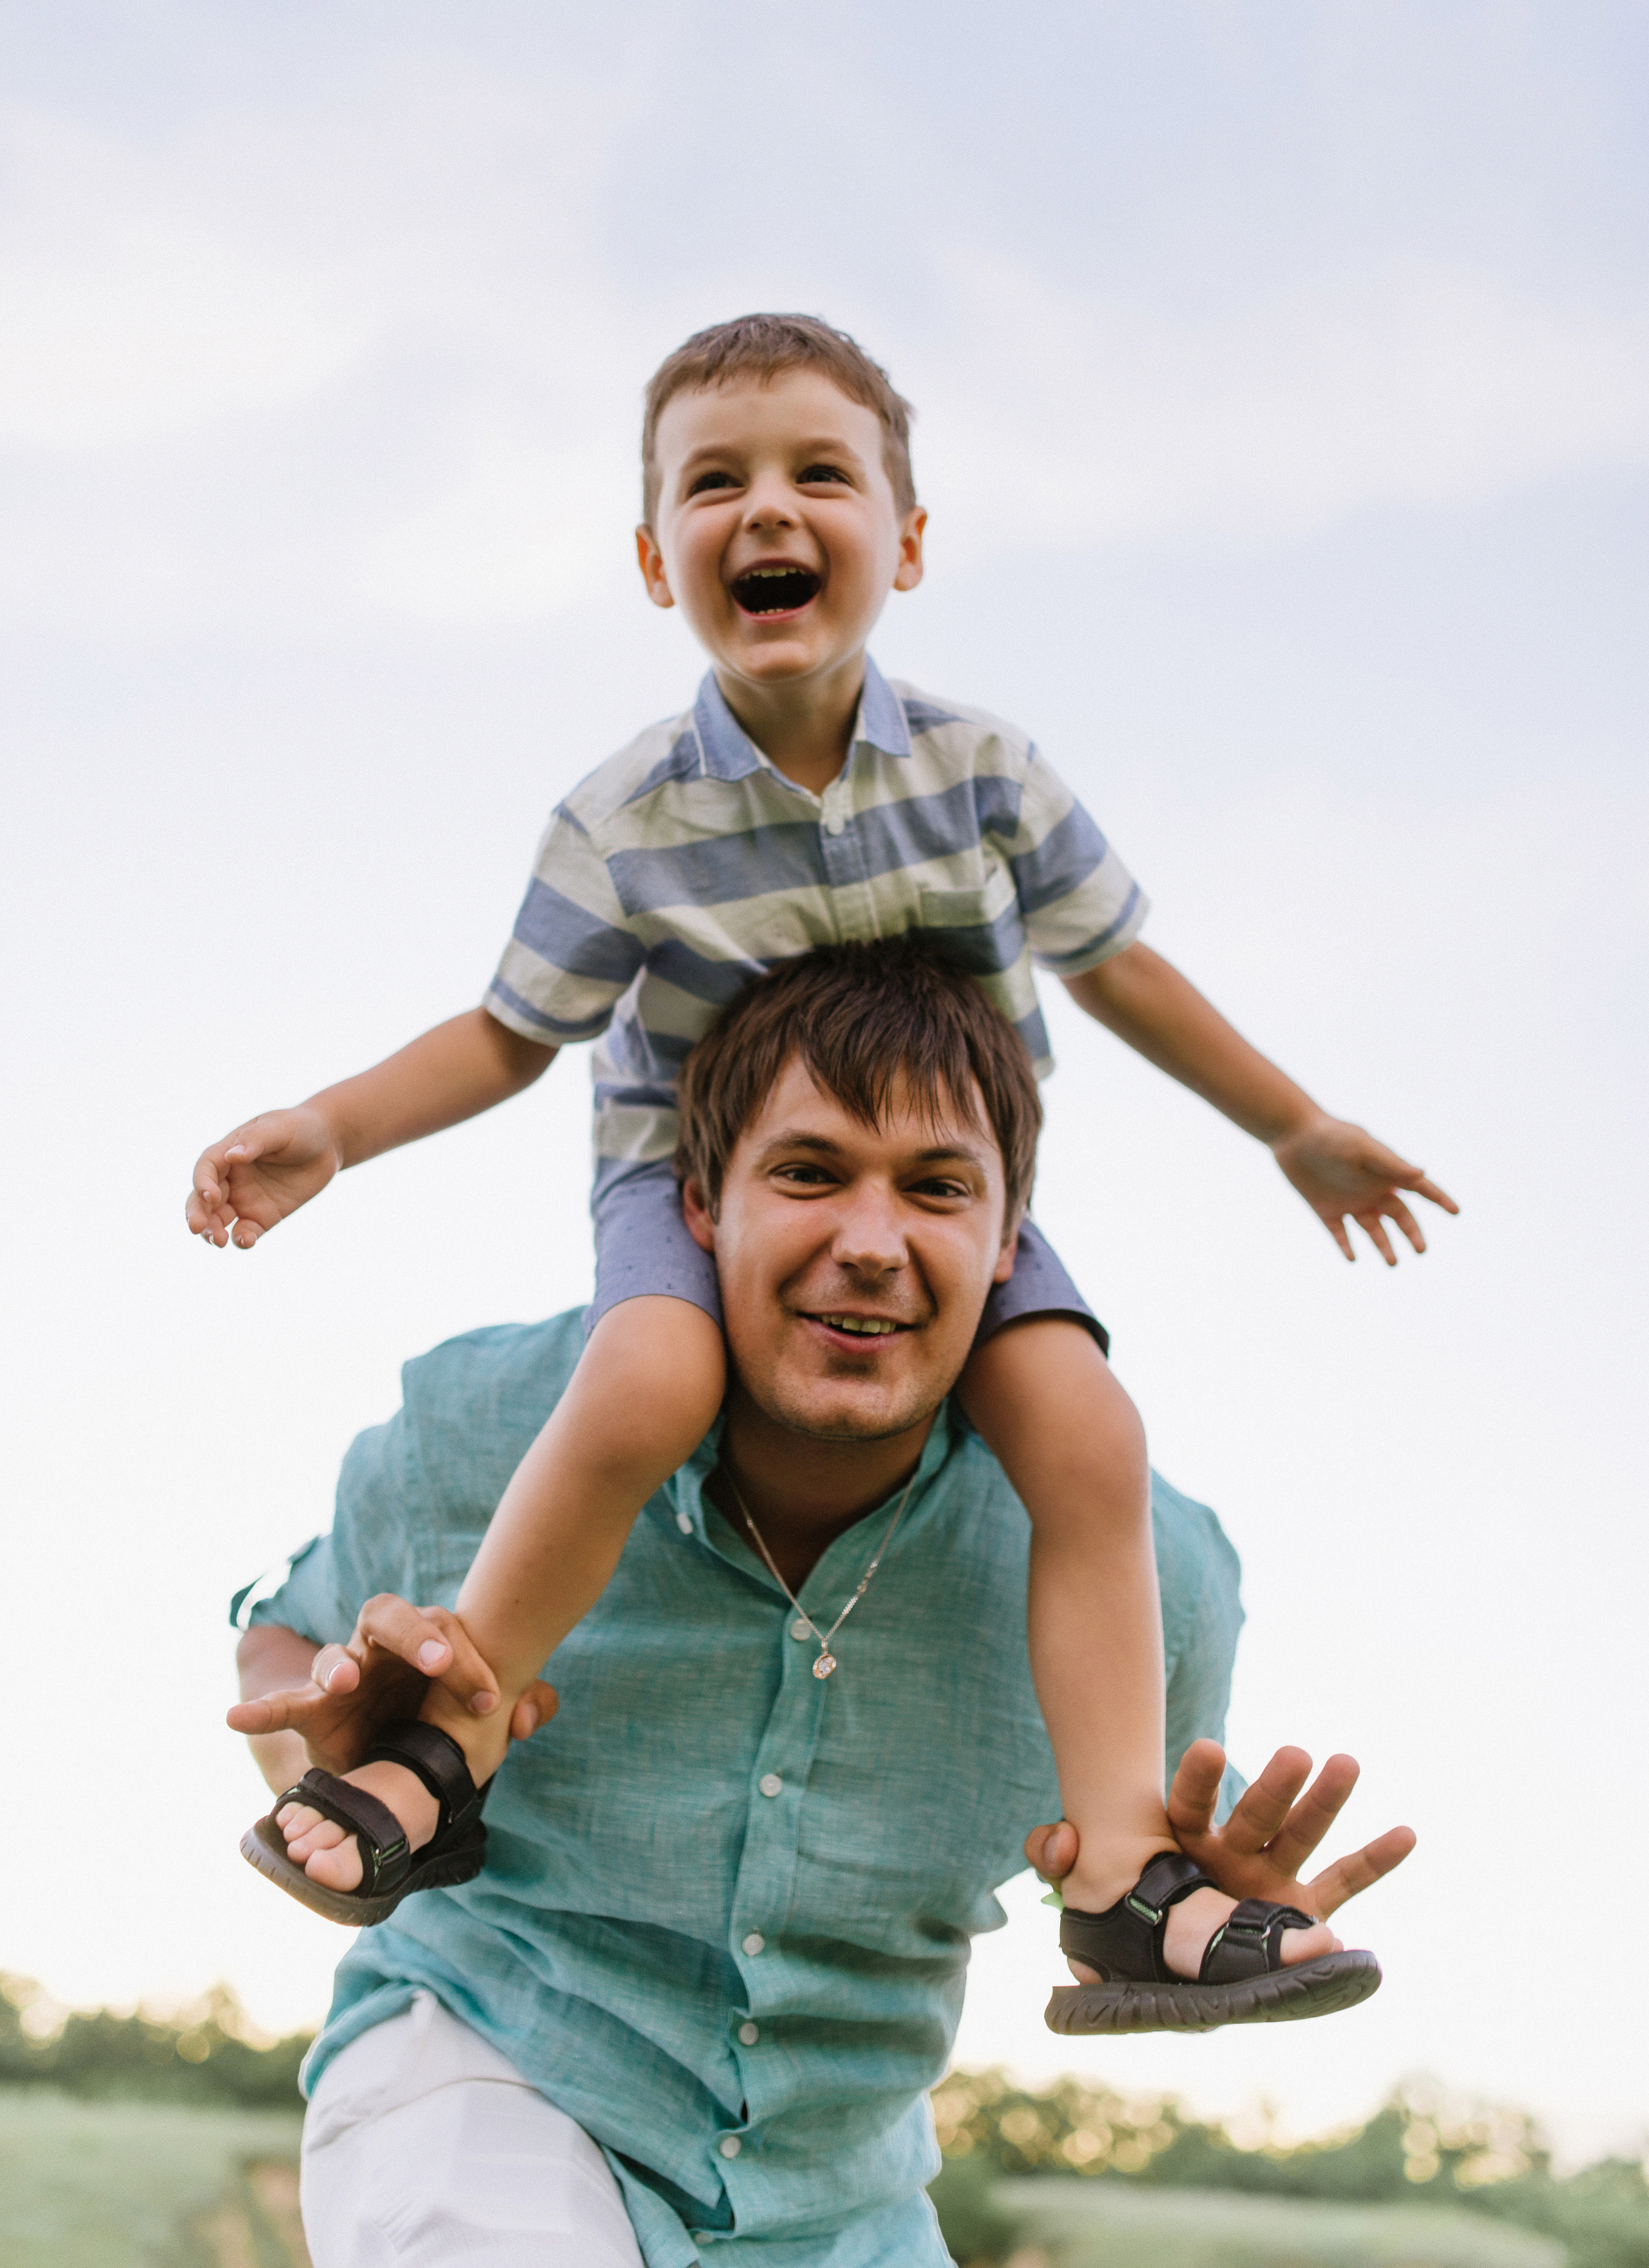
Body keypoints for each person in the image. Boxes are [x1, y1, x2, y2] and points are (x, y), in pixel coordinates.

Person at [193, 312, 1451, 1982]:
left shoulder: (981, 774)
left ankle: (1121, 1869)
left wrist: (1292, 1122)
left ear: (906, 541)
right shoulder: (623, 818)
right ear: (657, 559)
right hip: (690, 1183)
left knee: (1087, 1428)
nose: (768, 508)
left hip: (943, 1186)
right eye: (715, 482)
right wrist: (334, 1129)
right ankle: (447, 1745)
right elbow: (506, 1032)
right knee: (646, 1380)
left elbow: (1115, 963)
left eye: (820, 475)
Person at [232, 943, 1414, 2265]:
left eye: (935, 1188)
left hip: (841, 2200)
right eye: (807, 1172)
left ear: (1009, 1244)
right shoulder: (484, 1425)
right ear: (699, 1205)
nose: (869, 1245)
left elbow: (1130, 1839)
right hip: (483, 2068)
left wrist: (1177, 1887)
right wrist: (320, 1732)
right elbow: (277, 1633)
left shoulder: (1150, 1575)